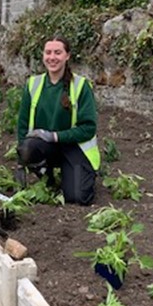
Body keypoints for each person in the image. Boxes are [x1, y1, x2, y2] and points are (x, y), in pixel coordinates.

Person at [16, 36, 100, 206]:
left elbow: (88, 128)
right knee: (28, 147)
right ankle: (47, 177)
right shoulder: (33, 84)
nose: (52, 57)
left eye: (57, 52)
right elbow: (23, 124)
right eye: (48, 52)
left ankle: (78, 173)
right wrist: (21, 162)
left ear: (67, 56)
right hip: (44, 146)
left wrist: (54, 136)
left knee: (78, 198)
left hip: (75, 147)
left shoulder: (80, 86)